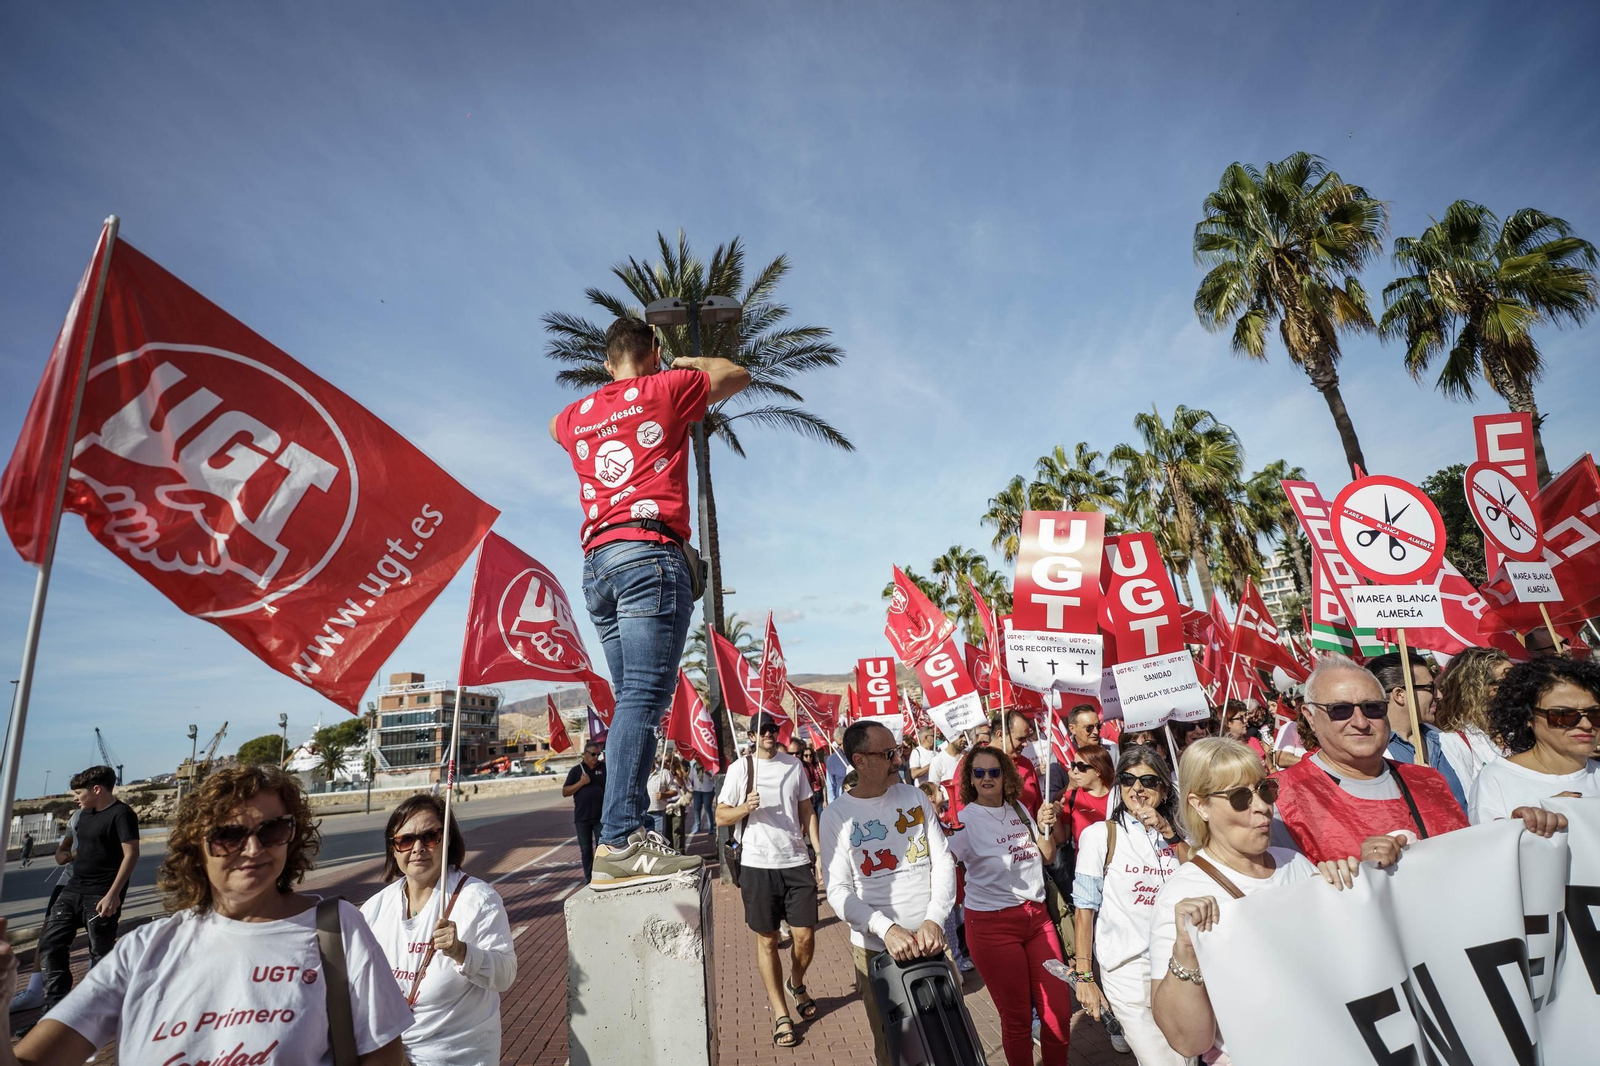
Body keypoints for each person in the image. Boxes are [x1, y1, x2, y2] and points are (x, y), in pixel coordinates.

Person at [3, 765, 408, 1064]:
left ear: (293, 836)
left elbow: (384, 1057)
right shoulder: (144, 949)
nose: (253, 849)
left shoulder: (336, 931)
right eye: (228, 835)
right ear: (196, 846)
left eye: (272, 830)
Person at [550, 316, 749, 886]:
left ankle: (627, 829)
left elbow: (551, 426)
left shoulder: (574, 415)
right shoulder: (664, 386)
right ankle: (618, 839)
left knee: (628, 703)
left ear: (607, 363)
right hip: (648, 553)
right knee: (643, 697)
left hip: (599, 564)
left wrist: (607, 398)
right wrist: (677, 363)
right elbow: (735, 373)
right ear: (653, 352)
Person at [1148, 738, 1319, 1060]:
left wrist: (1355, 882)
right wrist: (1185, 953)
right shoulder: (1183, 894)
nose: (1262, 806)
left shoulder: (1296, 863)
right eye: (1240, 797)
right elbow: (1187, 1042)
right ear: (1200, 806)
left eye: (1265, 789)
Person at [820, 720, 956, 1066]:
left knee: (949, 1038)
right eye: (888, 754)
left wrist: (934, 919)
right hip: (877, 955)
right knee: (898, 1050)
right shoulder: (836, 816)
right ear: (860, 760)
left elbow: (942, 861)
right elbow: (837, 891)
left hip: (931, 944)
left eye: (898, 752)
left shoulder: (914, 797)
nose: (899, 760)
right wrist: (886, 929)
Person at [1269, 653, 1473, 869]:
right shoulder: (1278, 798)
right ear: (1310, 717)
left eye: (1372, 708)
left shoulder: (1429, 780)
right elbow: (1284, 892)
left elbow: (1467, 858)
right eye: (1340, 710)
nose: (1360, 722)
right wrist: (1361, 875)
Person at [361, 795, 515, 1065]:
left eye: (430, 836)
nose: (418, 848)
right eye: (405, 840)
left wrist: (462, 952)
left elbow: (504, 976)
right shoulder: (375, 908)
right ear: (393, 848)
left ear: (448, 840)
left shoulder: (478, 899)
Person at [945, 745, 1073, 1065]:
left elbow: (1046, 856)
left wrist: (1046, 825)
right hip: (992, 927)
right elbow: (942, 863)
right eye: (979, 772)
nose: (987, 778)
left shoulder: (1018, 809)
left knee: (1058, 1011)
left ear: (1005, 775)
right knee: (1016, 1019)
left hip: (1038, 920)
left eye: (994, 771)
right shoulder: (965, 821)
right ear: (970, 780)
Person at [1070, 745, 1189, 1066]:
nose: (1137, 789)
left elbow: (1201, 875)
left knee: (1187, 1056)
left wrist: (1170, 833)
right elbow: (1084, 909)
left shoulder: (1179, 837)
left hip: (1181, 967)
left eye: (1148, 781)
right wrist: (1084, 978)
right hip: (1127, 971)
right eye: (1127, 780)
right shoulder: (1100, 836)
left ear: (1164, 790)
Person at [717, 718, 823, 1049]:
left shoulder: (794, 766)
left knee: (805, 936)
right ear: (750, 736)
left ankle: (797, 982)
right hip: (756, 864)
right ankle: (781, 1014)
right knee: (768, 940)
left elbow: (807, 811)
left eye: (771, 730)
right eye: (761, 731)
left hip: (794, 861)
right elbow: (721, 815)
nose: (767, 735)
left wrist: (818, 853)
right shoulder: (740, 769)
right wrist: (742, 808)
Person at [36, 765, 139, 1014]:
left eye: (78, 792)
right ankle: (56, 1009)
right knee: (50, 944)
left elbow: (131, 855)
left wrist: (113, 894)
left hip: (101, 893)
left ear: (96, 789)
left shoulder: (122, 814)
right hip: (71, 890)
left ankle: (100, 1011)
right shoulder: (82, 816)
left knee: (100, 952)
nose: (74, 797)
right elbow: (75, 848)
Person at [1470, 656, 1600, 824]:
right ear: (1528, 717)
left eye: (1595, 714)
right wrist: (1529, 824)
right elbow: (1490, 846)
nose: (1585, 724)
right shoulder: (1498, 779)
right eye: (1563, 715)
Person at [1366, 651, 1467, 810]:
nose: (1439, 695)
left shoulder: (1449, 740)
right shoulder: (1370, 757)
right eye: (1430, 687)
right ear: (1400, 694)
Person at [1436, 647, 1512, 790]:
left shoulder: (1520, 726)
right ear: (1478, 687)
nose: (1518, 687)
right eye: (1507, 681)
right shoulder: (1455, 740)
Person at [562, 741, 607, 881]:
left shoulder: (604, 768)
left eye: (598, 754)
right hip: (582, 817)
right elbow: (565, 792)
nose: (596, 757)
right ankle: (589, 878)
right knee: (586, 850)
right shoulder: (577, 771)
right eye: (593, 754)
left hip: (601, 817)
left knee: (602, 848)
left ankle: (603, 876)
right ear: (585, 754)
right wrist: (581, 783)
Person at [1063, 745, 1115, 845]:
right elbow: (1062, 838)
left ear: (1098, 770)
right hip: (1084, 859)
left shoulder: (1119, 797)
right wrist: (1053, 819)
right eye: (1073, 765)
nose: (1074, 771)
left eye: (1080, 766)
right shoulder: (1071, 797)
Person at [687, 757, 718, 837]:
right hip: (697, 790)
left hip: (708, 790)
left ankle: (710, 827)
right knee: (696, 808)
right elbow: (690, 778)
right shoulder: (694, 767)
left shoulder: (709, 765)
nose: (698, 759)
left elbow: (714, 778)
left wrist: (707, 772)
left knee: (708, 808)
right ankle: (697, 826)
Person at [824, 726, 852, 802]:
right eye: (839, 744)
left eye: (844, 743)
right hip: (841, 802)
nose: (843, 747)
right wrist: (831, 806)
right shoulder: (832, 760)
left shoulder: (860, 755)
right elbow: (831, 785)